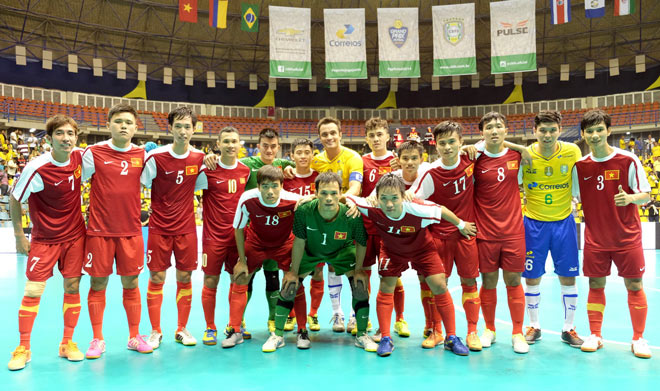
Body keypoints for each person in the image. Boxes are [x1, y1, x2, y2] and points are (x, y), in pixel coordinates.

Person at [348, 174, 476, 357]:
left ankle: (451, 337)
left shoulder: (417, 208)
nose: (389, 204)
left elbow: (442, 210)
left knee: (439, 284)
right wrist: (354, 202)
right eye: (383, 198)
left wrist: (461, 224)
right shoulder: (372, 206)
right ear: (377, 197)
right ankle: (385, 338)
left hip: (423, 250)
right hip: (392, 251)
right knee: (385, 286)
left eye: (394, 198)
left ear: (403, 196)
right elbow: (347, 197)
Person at [8, 115, 86, 370]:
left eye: (71, 134)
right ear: (50, 139)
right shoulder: (37, 167)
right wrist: (19, 234)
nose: (66, 138)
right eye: (60, 134)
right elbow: (15, 198)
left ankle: (67, 343)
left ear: (76, 137)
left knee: (72, 287)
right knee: (33, 290)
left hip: (75, 236)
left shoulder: (79, 157)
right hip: (45, 239)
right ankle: (23, 348)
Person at [266, 172, 376, 353]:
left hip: (342, 251)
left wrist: (358, 270)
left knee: (360, 286)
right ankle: (277, 335)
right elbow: (299, 241)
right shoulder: (303, 210)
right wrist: (293, 271)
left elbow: (361, 243)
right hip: (311, 251)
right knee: (288, 285)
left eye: (334, 193)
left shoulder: (352, 214)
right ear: (315, 192)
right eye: (324, 193)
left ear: (341, 193)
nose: (329, 198)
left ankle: (362, 335)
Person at [571, 109, 651, 358]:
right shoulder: (580, 166)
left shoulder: (628, 160)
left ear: (608, 130)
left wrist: (630, 198)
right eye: (589, 131)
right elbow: (572, 198)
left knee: (634, 285)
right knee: (596, 284)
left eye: (599, 130)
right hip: (595, 238)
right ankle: (595, 334)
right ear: (583, 134)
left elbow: (646, 195)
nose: (594, 135)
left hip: (627, 237)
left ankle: (638, 338)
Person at [81, 104, 152, 359]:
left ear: (135, 127)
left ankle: (134, 336)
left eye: (128, 122)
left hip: (130, 231)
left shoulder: (143, 155)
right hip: (99, 231)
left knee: (131, 282)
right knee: (98, 282)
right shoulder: (93, 153)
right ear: (108, 124)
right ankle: (97, 339)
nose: (123, 126)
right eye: (118, 121)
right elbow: (73, 180)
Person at [284, 117, 364, 333]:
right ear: (319, 138)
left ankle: (355, 316)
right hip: (324, 219)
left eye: (332, 133)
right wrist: (288, 168)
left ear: (340, 133)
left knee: (356, 267)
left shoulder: (353, 158)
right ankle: (337, 314)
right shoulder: (317, 160)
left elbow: (356, 187)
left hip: (348, 215)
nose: (329, 137)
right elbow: (301, 168)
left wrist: (332, 202)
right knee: (331, 265)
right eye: (324, 134)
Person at [411, 123, 483, 351]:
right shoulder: (431, 173)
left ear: (461, 142)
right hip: (439, 238)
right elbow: (413, 200)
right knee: (438, 286)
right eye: (442, 143)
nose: (448, 147)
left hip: (465, 235)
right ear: (436, 146)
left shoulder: (470, 160)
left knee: (469, 282)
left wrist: (474, 147)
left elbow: (495, 143)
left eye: (452, 141)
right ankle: (437, 331)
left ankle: (472, 331)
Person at [515, 110, 584, 347]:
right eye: (542, 130)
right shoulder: (524, 155)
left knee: (568, 276)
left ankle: (569, 328)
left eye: (552, 130)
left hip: (564, 222)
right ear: (534, 131)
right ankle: (534, 325)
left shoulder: (572, 151)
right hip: (533, 224)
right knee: (532, 277)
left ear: (560, 130)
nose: (547, 135)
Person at [140, 107, 206, 349]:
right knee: (156, 277)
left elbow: (201, 187)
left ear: (194, 129)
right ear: (170, 128)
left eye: (187, 126)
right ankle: (155, 330)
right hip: (159, 228)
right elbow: (140, 183)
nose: (183, 131)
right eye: (178, 126)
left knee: (185, 276)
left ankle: (181, 328)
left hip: (187, 228)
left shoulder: (200, 159)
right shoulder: (156, 157)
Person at [222, 165, 302, 349]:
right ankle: (235, 330)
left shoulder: (294, 200)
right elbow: (239, 229)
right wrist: (242, 261)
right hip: (256, 243)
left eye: (274, 186)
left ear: (282, 185)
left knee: (294, 282)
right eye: (265, 186)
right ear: (258, 187)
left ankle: (299, 329)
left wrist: (295, 269)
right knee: (240, 277)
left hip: (284, 244)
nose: (270, 191)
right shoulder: (247, 199)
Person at [473, 112, 529, 354]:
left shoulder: (517, 156)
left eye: (499, 126)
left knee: (514, 281)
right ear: (482, 132)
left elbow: (531, 154)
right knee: (488, 281)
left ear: (506, 131)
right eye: (489, 127)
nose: (494, 131)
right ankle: (490, 329)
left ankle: (518, 333)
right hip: (485, 232)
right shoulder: (474, 158)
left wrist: (517, 146)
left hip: (513, 232)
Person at [196, 127, 250, 345]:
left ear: (240, 145)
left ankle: (235, 323)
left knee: (239, 278)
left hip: (238, 237)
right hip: (212, 238)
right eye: (226, 141)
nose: (230, 145)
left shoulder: (246, 171)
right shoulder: (207, 170)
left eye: (234, 141)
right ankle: (210, 327)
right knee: (211, 280)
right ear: (218, 144)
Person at [359, 118, 408, 337]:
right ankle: (365, 318)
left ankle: (399, 319)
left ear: (388, 136)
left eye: (380, 134)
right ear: (366, 139)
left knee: (393, 275)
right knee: (363, 273)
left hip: (390, 229)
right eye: (372, 135)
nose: (376, 139)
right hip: (366, 226)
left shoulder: (398, 161)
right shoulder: (360, 162)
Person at [282, 138, 322, 332]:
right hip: (291, 234)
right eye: (299, 152)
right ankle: (291, 314)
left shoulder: (320, 177)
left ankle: (313, 314)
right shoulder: (284, 179)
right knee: (290, 272)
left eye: (307, 152)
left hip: (316, 234)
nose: (303, 156)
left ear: (313, 155)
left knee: (318, 273)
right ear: (292, 156)